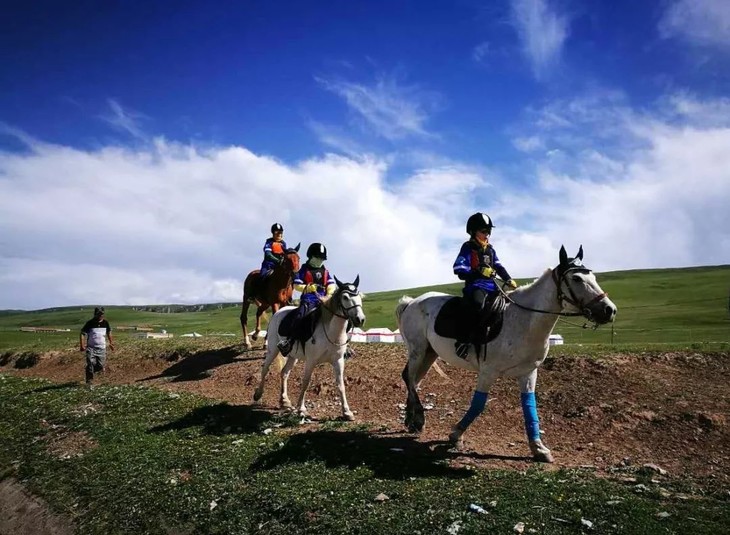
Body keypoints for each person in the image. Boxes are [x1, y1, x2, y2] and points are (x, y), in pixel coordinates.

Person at [452, 213, 517, 358]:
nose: (487, 234)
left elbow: (499, 267)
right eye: (483, 231)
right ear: (473, 231)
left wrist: (508, 279)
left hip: (493, 286)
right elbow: (459, 269)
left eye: (488, 231)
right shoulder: (468, 247)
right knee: (477, 305)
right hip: (476, 286)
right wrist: (479, 271)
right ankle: (463, 342)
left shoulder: (491, 250)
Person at [277, 242, 336, 356]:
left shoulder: (325, 271)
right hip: (309, 299)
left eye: (321, 258)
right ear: (311, 256)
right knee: (300, 315)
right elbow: (297, 285)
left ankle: (345, 344)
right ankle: (289, 341)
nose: (319, 260)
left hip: (324, 300)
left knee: (341, 314)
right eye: (317, 258)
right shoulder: (303, 270)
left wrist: (329, 294)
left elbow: (331, 283)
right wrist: (308, 288)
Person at [80, 306, 114, 384]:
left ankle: (90, 371)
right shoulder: (90, 323)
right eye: (99, 314)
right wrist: (82, 345)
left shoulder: (106, 323)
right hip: (91, 348)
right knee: (90, 363)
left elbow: (109, 332)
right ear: (95, 314)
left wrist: (111, 343)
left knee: (100, 366)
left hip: (102, 348)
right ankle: (89, 380)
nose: (100, 315)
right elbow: (82, 333)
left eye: (102, 314)